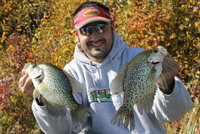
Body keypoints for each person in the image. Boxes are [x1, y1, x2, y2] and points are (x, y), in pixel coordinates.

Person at [18, 1, 192, 134]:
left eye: (101, 27)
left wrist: (167, 85)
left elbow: (173, 114)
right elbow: (61, 130)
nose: (95, 36)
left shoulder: (140, 59)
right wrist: (42, 100)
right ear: (76, 35)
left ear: (112, 27)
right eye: (86, 30)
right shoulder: (70, 73)